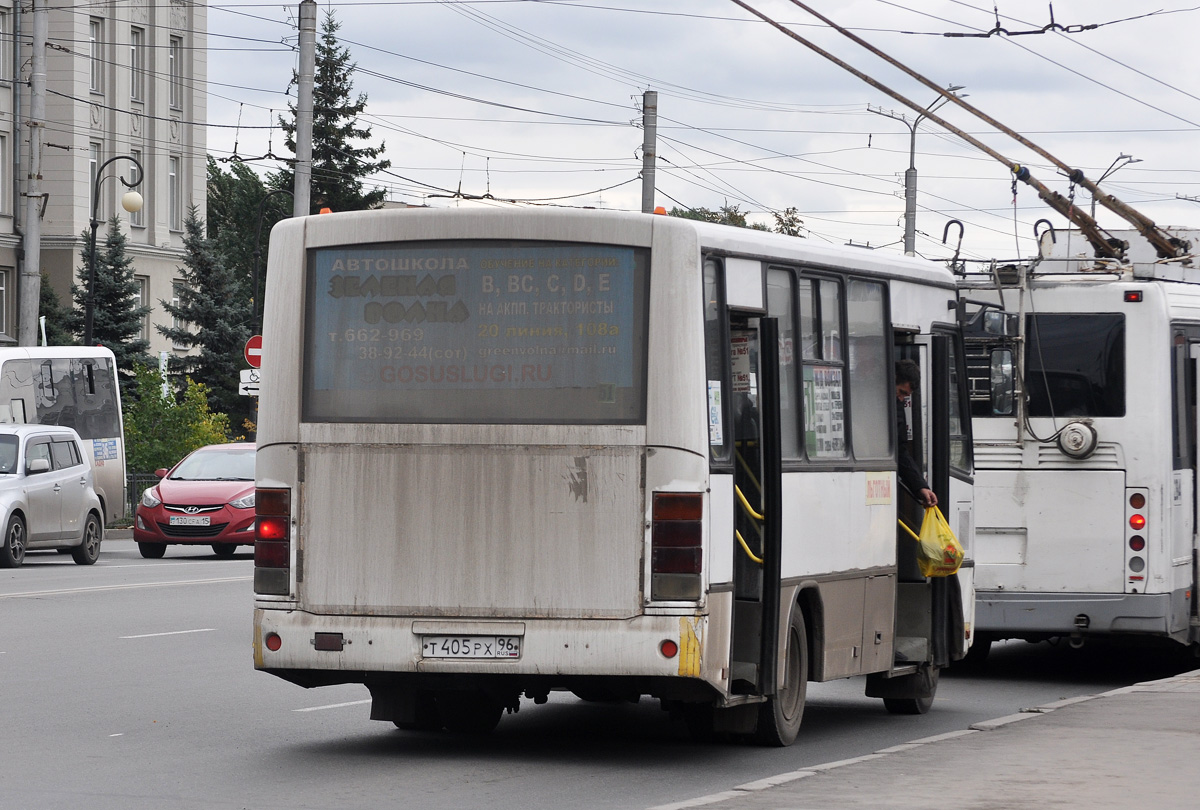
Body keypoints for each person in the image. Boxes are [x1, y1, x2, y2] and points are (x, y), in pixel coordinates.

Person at [895, 359, 938, 508]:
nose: (901, 399)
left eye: (905, 396)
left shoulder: (897, 406)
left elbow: (899, 451)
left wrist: (920, 487)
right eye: (901, 392)